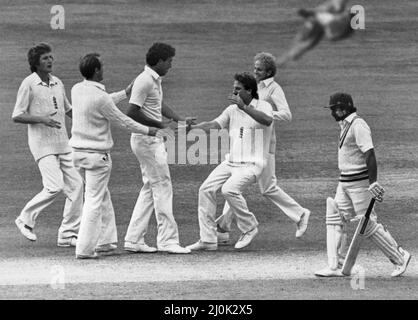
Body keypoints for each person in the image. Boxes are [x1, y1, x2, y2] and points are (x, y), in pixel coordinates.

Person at [70, 53, 160, 259]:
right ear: (95, 71)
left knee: (101, 196)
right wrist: (149, 130)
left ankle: (106, 241)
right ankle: (84, 249)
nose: (104, 69)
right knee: (93, 199)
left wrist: (125, 93)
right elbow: (123, 121)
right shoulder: (100, 97)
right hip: (97, 157)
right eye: (102, 67)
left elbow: (103, 102)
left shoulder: (76, 89)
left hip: (77, 154)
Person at [216, 52, 310, 244]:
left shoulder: (274, 89)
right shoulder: (252, 85)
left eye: (259, 69)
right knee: (235, 184)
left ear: (268, 71)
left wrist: (263, 114)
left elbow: (286, 114)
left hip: (264, 146)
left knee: (267, 188)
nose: (255, 71)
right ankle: (222, 228)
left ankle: (300, 215)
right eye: (254, 68)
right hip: (246, 145)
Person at [314, 93, 411, 277]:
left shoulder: (358, 125)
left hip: (359, 183)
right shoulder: (344, 125)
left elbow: (370, 154)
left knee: (366, 223)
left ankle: (400, 257)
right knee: (336, 217)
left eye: (333, 109)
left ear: (343, 108)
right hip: (344, 181)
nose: (332, 113)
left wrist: (373, 181)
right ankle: (337, 264)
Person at [186, 72, 273, 251]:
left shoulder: (263, 106)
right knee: (205, 189)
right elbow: (214, 124)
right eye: (233, 89)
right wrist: (192, 128)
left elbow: (267, 120)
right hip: (231, 162)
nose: (233, 92)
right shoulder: (231, 109)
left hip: (252, 164)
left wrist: (245, 108)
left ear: (249, 91)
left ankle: (249, 227)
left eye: (238, 89)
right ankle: (208, 239)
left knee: (229, 190)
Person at [124, 43, 195, 254]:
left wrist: (179, 119)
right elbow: (131, 112)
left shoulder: (153, 79)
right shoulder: (144, 80)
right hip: (147, 140)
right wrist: (161, 125)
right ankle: (168, 240)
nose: (171, 66)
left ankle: (133, 239)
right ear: (160, 61)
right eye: (169, 61)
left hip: (148, 140)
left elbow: (158, 104)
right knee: (163, 185)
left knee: (150, 187)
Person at [12, 42, 83, 247]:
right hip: (42, 145)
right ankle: (25, 219)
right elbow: (17, 115)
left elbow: (69, 110)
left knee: (77, 186)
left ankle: (67, 234)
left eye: (51, 57)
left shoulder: (58, 82)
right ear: (36, 63)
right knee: (54, 186)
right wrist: (41, 119)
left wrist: (88, 118)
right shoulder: (29, 84)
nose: (50, 60)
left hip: (63, 143)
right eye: (45, 58)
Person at [276, 0, 355, 66]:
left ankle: (282, 61)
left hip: (318, 26)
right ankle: (281, 61)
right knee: (301, 46)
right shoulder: (337, 7)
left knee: (301, 46)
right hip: (316, 24)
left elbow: (330, 33)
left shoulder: (338, 9)